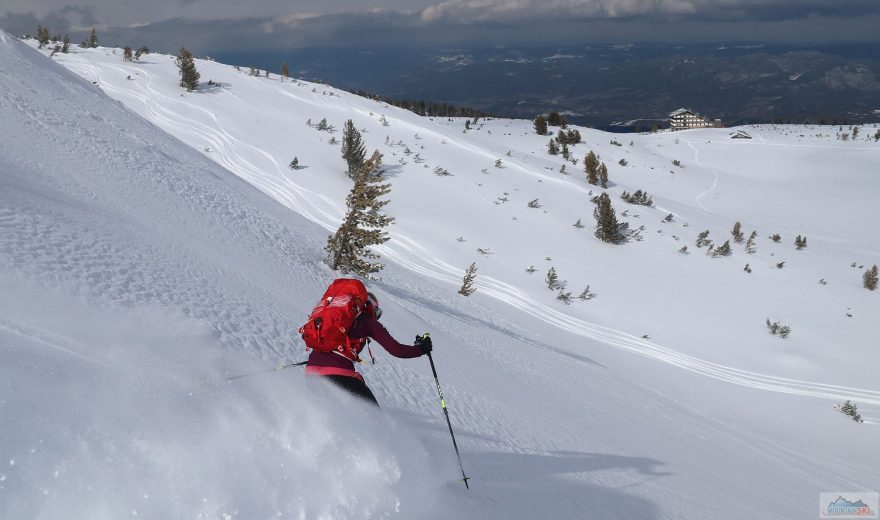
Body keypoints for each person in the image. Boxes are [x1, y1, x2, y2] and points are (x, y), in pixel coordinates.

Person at [305, 292, 432, 406]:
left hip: (311, 371)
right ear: (371, 307)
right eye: (377, 312)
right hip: (341, 375)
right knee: (374, 415)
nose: (376, 316)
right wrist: (422, 348)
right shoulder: (368, 322)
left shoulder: (339, 318)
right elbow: (397, 350)